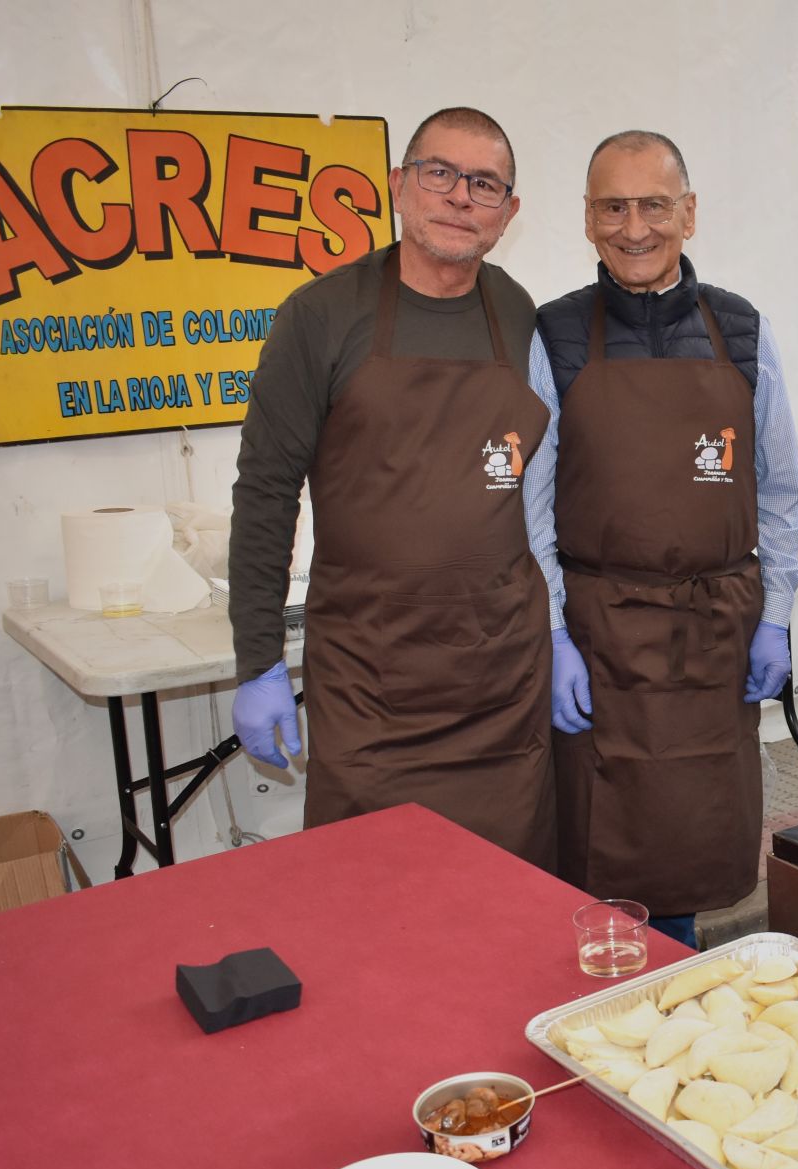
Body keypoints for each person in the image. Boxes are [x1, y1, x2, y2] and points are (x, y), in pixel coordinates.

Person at [226, 107, 558, 869]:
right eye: (439, 173)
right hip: (369, 684)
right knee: (370, 905)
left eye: (485, 184)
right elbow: (267, 493)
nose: (459, 197)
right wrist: (259, 662)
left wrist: (563, 631)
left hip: (499, 685)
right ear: (400, 186)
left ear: (508, 214)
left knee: (506, 907)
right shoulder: (320, 316)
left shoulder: (518, 314)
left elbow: (547, 486)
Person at [527, 131, 798, 947]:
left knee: (687, 847)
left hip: (715, 634)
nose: (634, 226)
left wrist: (777, 616)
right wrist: (551, 634)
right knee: (596, 851)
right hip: (600, 637)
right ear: (586, 219)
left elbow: (784, 490)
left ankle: (680, 987)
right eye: (613, 206)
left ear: (689, 214)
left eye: (654, 205)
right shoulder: (555, 334)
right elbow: (532, 507)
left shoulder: (742, 331)